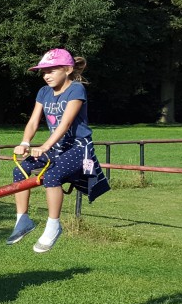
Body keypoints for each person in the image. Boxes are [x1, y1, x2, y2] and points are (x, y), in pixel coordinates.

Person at [9, 48, 110, 253]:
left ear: (68, 69)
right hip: (58, 147)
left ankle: (54, 225)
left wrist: (45, 146)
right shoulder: (43, 92)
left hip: (78, 146)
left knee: (52, 175)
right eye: (43, 72)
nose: (46, 76)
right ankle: (23, 219)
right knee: (19, 170)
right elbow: (33, 121)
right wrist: (25, 143)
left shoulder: (76, 89)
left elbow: (65, 123)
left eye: (51, 71)